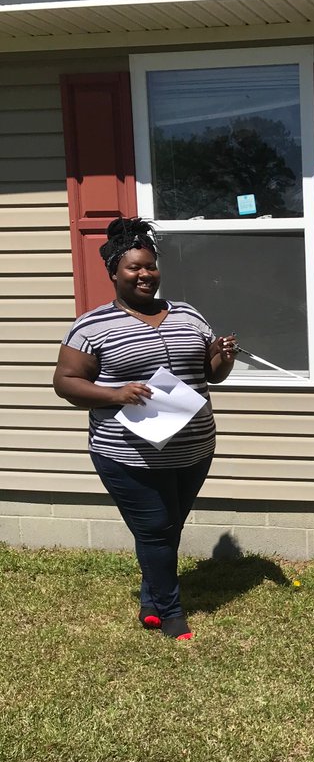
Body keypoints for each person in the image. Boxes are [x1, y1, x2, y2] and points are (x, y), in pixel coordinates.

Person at [53, 218, 237, 640]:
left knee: (169, 526)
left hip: (192, 449)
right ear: (114, 272)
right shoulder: (91, 327)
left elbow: (212, 375)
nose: (144, 275)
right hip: (127, 453)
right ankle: (171, 614)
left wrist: (222, 356)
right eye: (134, 267)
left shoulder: (188, 314)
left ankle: (151, 599)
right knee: (154, 527)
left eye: (150, 266)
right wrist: (116, 394)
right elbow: (66, 382)